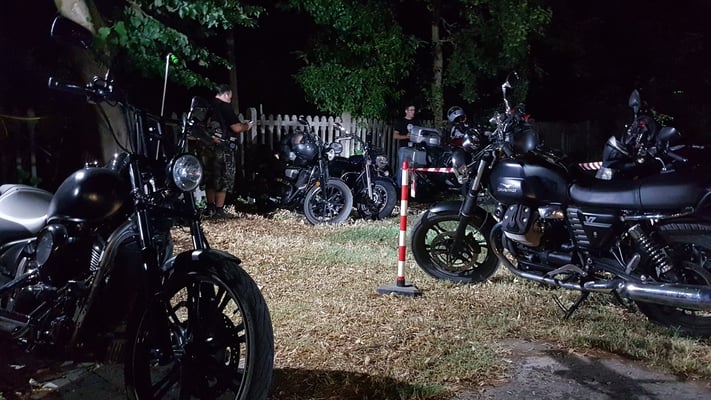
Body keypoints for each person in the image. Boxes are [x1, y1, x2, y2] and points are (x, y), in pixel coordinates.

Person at [200, 84, 253, 219]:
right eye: (230, 97)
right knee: (223, 177)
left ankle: (210, 207)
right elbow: (236, 128)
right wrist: (247, 126)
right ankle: (219, 210)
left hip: (206, 147)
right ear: (225, 94)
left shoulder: (208, 106)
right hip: (222, 148)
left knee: (209, 177)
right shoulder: (224, 107)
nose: (230, 99)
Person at [393, 104, 420, 186]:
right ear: (406, 111)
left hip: (414, 148)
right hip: (404, 148)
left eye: (414, 110)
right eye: (411, 110)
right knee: (402, 168)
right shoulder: (401, 122)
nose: (413, 112)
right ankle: (399, 187)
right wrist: (406, 136)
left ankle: (413, 188)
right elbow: (395, 136)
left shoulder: (416, 122)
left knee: (413, 169)